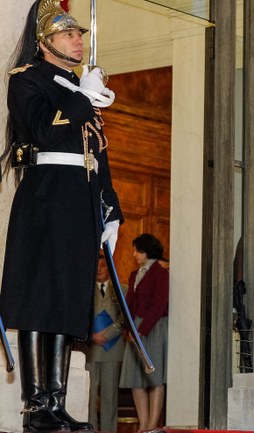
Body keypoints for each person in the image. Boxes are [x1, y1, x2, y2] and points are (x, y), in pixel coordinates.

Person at [0, 1, 122, 432]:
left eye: (78, 35)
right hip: (47, 199)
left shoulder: (78, 87)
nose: (77, 40)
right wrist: (81, 98)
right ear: (45, 42)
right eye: (68, 35)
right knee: (40, 303)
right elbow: (42, 130)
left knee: (67, 306)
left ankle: (56, 403)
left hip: (80, 202)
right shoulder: (27, 81)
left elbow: (97, 154)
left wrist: (111, 209)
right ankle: (36, 407)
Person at [119, 234, 169, 431]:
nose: (134, 254)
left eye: (137, 250)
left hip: (154, 327)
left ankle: (152, 424)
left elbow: (159, 305)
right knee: (135, 378)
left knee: (154, 377)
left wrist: (142, 330)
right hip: (136, 327)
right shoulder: (134, 274)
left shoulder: (161, 273)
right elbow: (130, 303)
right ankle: (143, 424)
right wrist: (129, 329)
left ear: (147, 251)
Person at [84, 255, 126, 432]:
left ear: (109, 268)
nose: (99, 269)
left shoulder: (122, 289)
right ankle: (90, 428)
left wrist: (108, 334)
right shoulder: (84, 291)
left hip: (113, 348)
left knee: (110, 393)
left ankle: (110, 430)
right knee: (90, 393)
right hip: (91, 348)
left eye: (102, 266)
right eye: (96, 266)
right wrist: (91, 335)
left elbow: (125, 317)